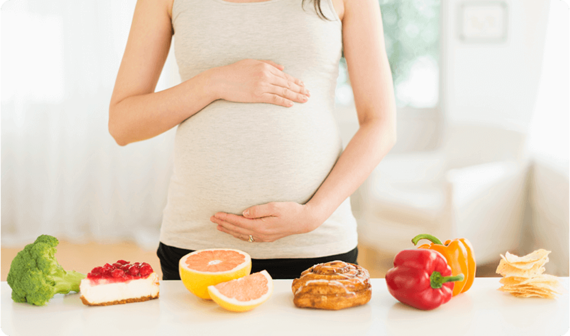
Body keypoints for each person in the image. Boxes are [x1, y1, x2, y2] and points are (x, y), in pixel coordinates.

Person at [108, 0, 396, 280]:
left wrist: (313, 214)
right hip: (199, 248)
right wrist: (214, 82)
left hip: (317, 244)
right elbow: (123, 125)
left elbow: (380, 122)